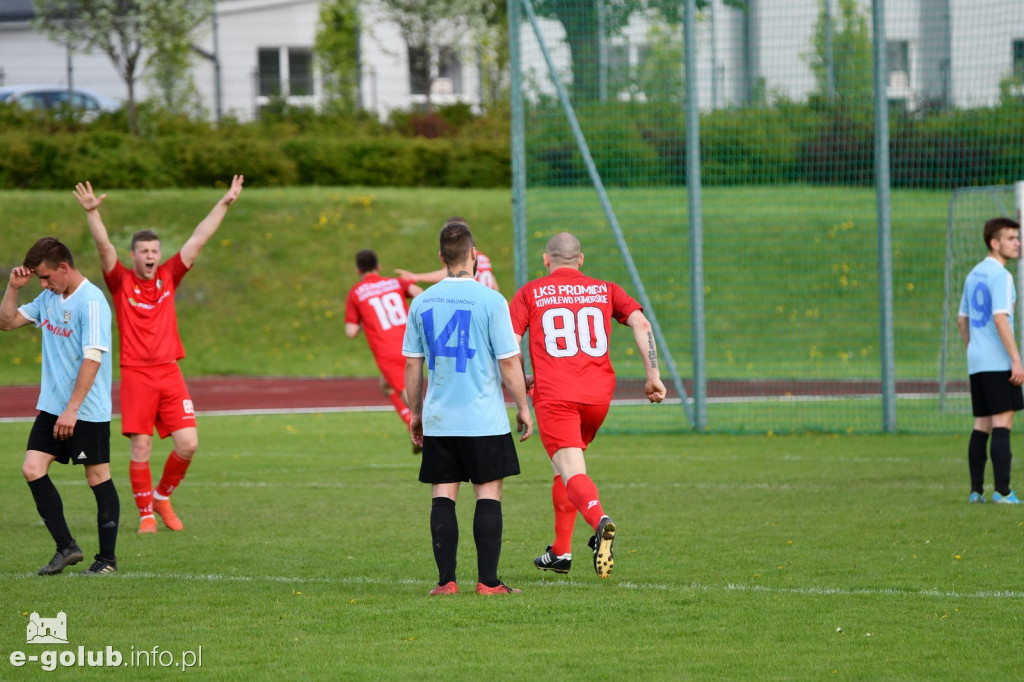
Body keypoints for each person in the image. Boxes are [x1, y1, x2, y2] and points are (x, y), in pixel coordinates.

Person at [73, 175, 245, 533]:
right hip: (136, 372)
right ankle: (146, 516)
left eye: (155, 251)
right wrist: (93, 214)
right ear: (133, 255)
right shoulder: (121, 281)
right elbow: (104, 248)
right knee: (141, 446)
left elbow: (200, 237)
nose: (150, 257)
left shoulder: (169, 275)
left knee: (189, 443)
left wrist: (226, 201)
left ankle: (163, 496)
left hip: (169, 371)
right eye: (144, 252)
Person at [509, 232, 666, 579]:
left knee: (572, 471)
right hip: (598, 397)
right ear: (581, 260)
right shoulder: (606, 288)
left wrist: (521, 381)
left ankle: (600, 522)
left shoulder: (531, 291)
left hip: (556, 395)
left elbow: (510, 342)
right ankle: (561, 552)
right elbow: (641, 322)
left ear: (546, 260)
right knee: (563, 467)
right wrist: (653, 375)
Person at [403, 218, 533, 596]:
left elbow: (413, 365)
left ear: (441, 257)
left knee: (443, 494)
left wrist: (415, 413)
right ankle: (488, 583)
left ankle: (446, 583)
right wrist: (523, 408)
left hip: (441, 418)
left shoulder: (422, 300)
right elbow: (509, 362)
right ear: (474, 255)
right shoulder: (492, 300)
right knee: (487, 495)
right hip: (484, 419)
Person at [1, 237, 120, 575]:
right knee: (32, 468)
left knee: (97, 476)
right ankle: (66, 547)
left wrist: (73, 409)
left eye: (45, 276)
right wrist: (13, 287)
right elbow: (6, 322)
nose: (42, 283)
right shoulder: (48, 297)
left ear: (64, 268)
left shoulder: (93, 302)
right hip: (53, 406)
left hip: (85, 408)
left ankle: (107, 561)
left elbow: (92, 358)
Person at [958, 216, 1024, 504]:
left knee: (981, 425)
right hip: (998, 362)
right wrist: (1016, 359)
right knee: (1002, 424)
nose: (1018, 243)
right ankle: (1003, 491)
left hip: (977, 360)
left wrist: (973, 350)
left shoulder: (973, 274)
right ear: (994, 243)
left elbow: (962, 320)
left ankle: (976, 491)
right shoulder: (1001, 276)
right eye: (1011, 238)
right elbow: (1000, 318)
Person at [344, 249, 423, 452]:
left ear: (357, 270)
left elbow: (351, 332)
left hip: (387, 349)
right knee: (386, 386)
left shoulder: (356, 292)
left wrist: (362, 318)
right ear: (378, 267)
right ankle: (410, 424)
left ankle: (425, 431)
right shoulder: (395, 282)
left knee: (407, 393)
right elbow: (420, 295)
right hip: (411, 341)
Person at [395, 223, 500, 292]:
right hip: (488, 302)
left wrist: (416, 277)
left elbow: (449, 273)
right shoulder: (484, 258)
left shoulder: (461, 259)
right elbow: (493, 284)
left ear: (441, 257)